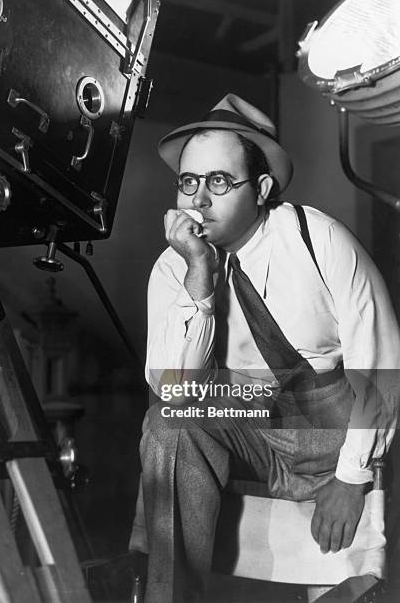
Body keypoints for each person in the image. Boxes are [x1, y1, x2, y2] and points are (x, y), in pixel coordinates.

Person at [129, 94, 400, 603]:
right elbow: (176, 392)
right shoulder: (173, 269)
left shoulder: (319, 240)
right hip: (246, 431)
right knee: (167, 422)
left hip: (329, 439)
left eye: (218, 182)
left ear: (262, 189)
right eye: (188, 183)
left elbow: (382, 364)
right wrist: (199, 278)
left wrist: (352, 476)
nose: (198, 202)